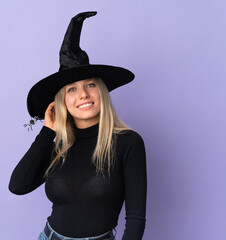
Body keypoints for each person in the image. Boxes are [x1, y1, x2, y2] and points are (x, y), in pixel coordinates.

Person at [9, 11, 147, 240]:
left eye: (90, 85)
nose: (83, 94)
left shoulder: (128, 142)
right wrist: (47, 132)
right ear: (62, 101)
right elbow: (18, 186)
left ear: (101, 92)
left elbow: (135, 220)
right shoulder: (58, 146)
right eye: (71, 89)